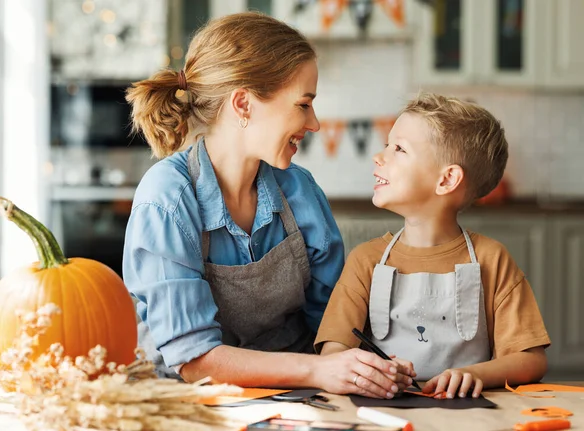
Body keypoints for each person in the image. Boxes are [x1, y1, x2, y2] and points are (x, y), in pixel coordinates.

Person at [122, 12, 414, 397]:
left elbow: (333, 321)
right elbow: (194, 361)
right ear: (243, 104)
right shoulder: (167, 200)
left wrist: (371, 363)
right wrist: (319, 370)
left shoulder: (299, 190)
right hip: (190, 405)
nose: (315, 124)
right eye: (303, 104)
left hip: (297, 399)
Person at [315, 93, 550, 399]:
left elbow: (531, 360)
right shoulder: (366, 260)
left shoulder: (492, 259)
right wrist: (374, 370)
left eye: (398, 148)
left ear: (447, 179)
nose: (379, 156)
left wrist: (473, 374)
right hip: (382, 411)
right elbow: (333, 353)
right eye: (387, 144)